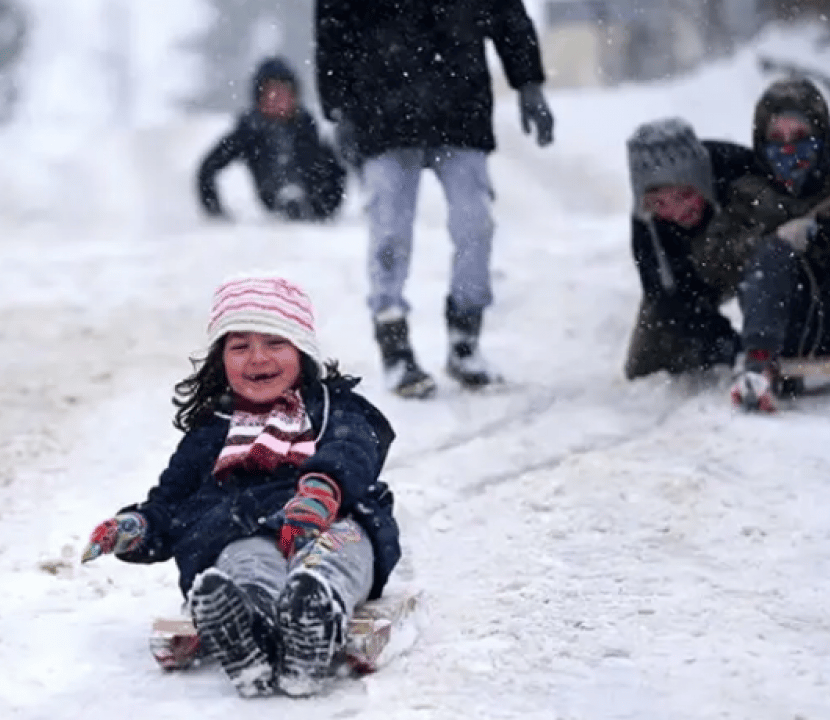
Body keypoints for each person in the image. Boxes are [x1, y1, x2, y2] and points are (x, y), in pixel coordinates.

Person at [81, 275, 401, 698]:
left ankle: (314, 616)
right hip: (244, 531)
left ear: (302, 351)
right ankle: (247, 628)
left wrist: (322, 489)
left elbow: (353, 448)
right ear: (221, 360)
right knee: (245, 562)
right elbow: (172, 504)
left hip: (327, 521)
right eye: (240, 346)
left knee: (335, 555)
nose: (257, 358)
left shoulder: (332, 409)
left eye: (274, 343)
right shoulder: (210, 433)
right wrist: (137, 527)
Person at [315, 0, 555, 398]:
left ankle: (465, 340)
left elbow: (506, 13)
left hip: (460, 107)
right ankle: (394, 347)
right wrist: (338, 109)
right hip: (382, 114)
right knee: (389, 232)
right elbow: (333, 27)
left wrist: (529, 83)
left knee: (475, 225)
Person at [694, 78, 830, 412]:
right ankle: (758, 369)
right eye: (777, 140)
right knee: (772, 256)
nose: (788, 150)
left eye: (799, 139)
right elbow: (712, 262)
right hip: (784, 331)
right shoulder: (748, 195)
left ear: (822, 140)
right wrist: (771, 241)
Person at [622, 118, 760, 380]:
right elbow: (667, 298)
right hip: (693, 276)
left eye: (685, 196)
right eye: (660, 203)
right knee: (645, 367)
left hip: (752, 256)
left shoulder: (740, 169)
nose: (678, 212)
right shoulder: (647, 226)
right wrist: (724, 344)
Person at [195, 57, 348, 222]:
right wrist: (214, 212)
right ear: (259, 99)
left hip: (316, 207)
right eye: (271, 95)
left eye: (284, 94)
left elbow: (336, 168)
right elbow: (208, 168)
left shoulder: (307, 127)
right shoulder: (249, 131)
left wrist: (328, 205)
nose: (278, 101)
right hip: (274, 202)